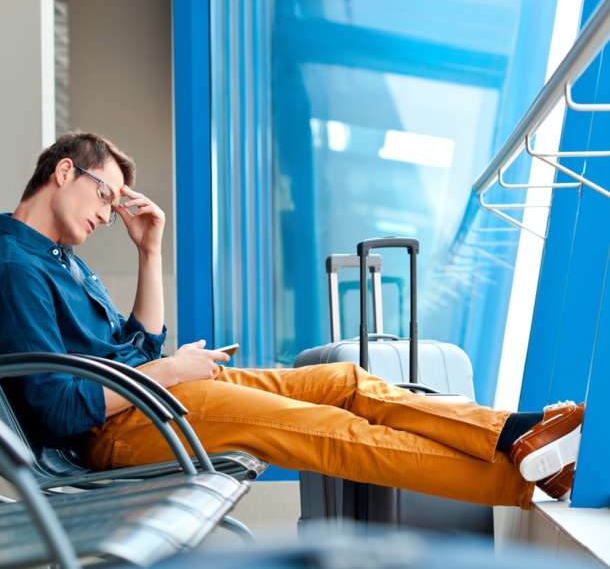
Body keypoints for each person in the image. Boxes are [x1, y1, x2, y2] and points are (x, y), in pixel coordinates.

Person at [0, 132, 584, 510]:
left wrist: (150, 252)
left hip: (156, 394)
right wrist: (169, 370)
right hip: (121, 426)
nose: (110, 213)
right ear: (64, 172)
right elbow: (57, 408)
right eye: (107, 196)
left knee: (345, 383)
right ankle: (526, 480)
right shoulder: (14, 265)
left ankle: (515, 432)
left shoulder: (59, 262)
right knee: (328, 432)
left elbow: (138, 343)